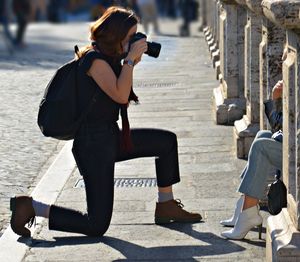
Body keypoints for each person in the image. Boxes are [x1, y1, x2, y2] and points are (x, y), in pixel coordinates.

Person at [10, 6, 202, 238]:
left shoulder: (109, 58)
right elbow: (121, 95)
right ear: (117, 36)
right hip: (93, 147)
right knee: (96, 225)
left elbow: (121, 93)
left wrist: (129, 61)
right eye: (131, 36)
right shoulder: (95, 61)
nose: (135, 40)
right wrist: (129, 61)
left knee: (165, 142)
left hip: (110, 136)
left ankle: (166, 204)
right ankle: (31, 207)